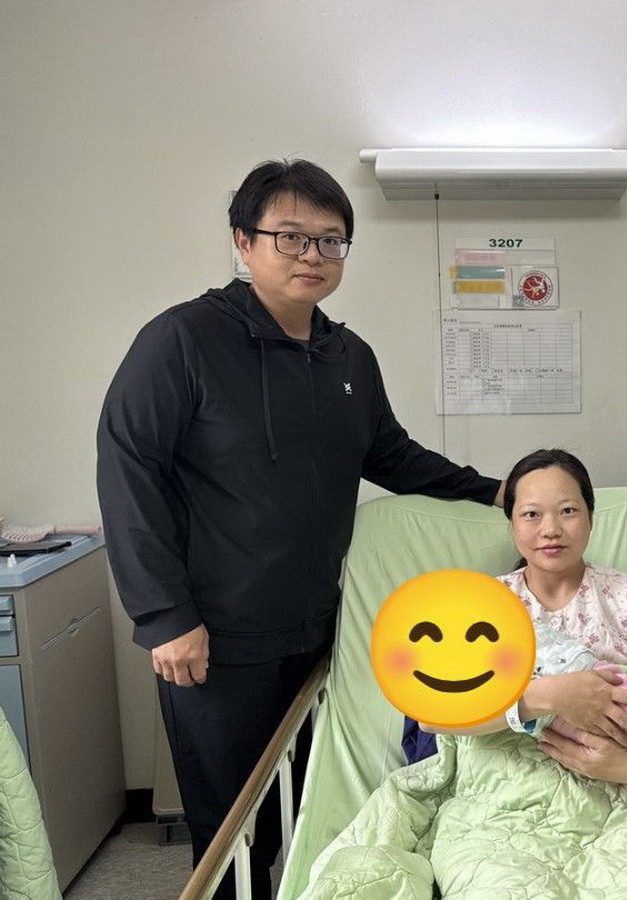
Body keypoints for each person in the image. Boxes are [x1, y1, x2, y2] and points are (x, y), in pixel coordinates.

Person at [96, 159, 503, 898]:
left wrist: (502, 493)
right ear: (243, 241)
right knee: (229, 829)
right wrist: (164, 616)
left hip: (319, 632)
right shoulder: (182, 340)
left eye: (330, 240)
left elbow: (393, 456)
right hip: (214, 637)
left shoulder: (348, 357)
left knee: (298, 811)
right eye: (290, 236)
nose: (312, 255)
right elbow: (129, 471)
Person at [423, 448, 627, 782]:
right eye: (531, 514)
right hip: (508, 782)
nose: (551, 529)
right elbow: (431, 713)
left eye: (568, 511)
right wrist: (545, 696)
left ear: (590, 518)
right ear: (512, 525)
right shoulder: (482, 606)